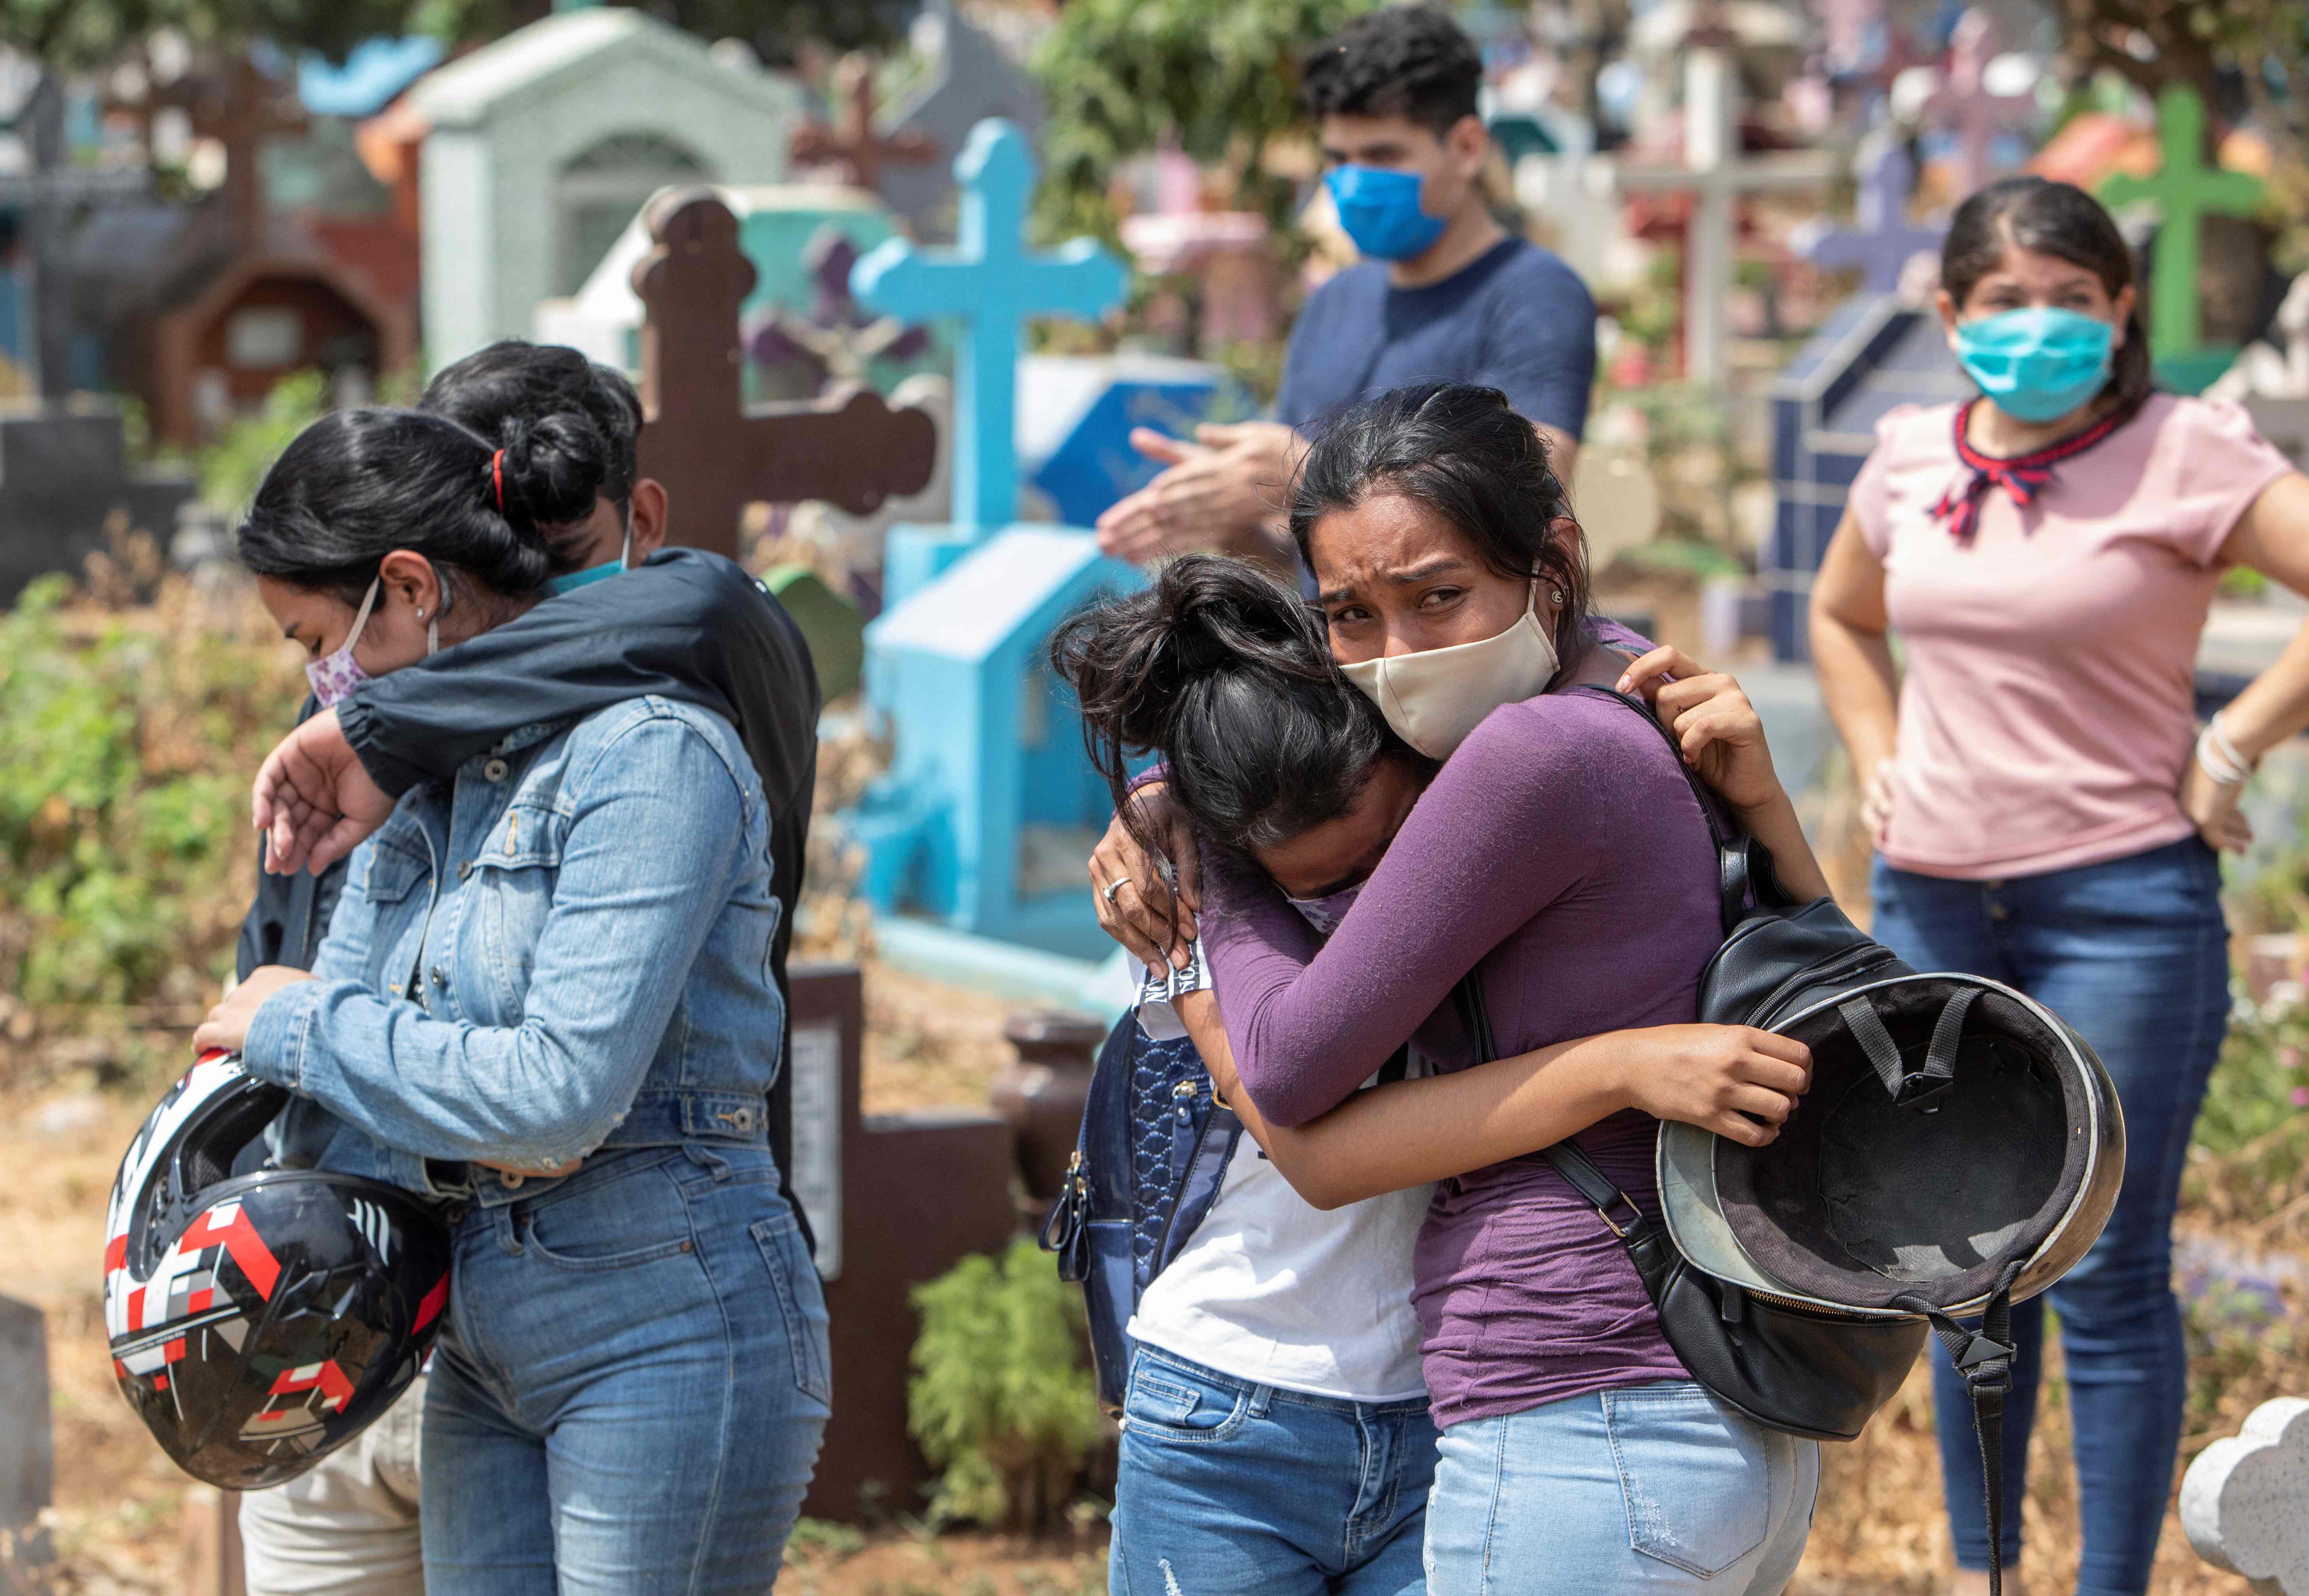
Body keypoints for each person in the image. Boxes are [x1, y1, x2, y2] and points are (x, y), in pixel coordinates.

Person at [1080, 385, 1827, 1592]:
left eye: (1439, 597)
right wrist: (1186, 791)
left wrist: (1207, 848)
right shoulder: (1632, 692)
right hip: (1654, 1400)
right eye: (1351, 617)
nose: (1403, 656)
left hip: (1583, 1414)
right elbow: (1812, 953)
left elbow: (1286, 1073)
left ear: (1552, 562)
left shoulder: (1519, 755)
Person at [196, 405, 827, 1593]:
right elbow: (360, 1082)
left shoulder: (653, 757)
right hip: (476, 1330)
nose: (318, 682)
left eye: (315, 637)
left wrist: (292, 1022)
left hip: (664, 1321)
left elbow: (554, 1097)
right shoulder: (422, 784)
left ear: (409, 585)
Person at [1809, 176, 2309, 1596]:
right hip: (1933, 907)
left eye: (2071, 302)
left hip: (2125, 908)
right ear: (1951, 314)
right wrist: (1874, 745)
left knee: (2106, 1270)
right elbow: (1841, 616)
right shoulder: (1910, 453)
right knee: (1967, 1267)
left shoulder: (2183, 450)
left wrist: (2232, 740)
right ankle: (1983, 1576)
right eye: (2007, 303)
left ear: (2119, 314)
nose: (2039, 328)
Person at [1092, 5, 1596, 571]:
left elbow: (1528, 495)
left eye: (1383, 156)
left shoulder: (1535, 294)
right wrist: (1235, 515)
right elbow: (1311, 559)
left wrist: (1308, 473)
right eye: (1339, 158)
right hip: (1331, 651)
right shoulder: (1334, 302)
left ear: (1467, 148)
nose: (1354, 182)